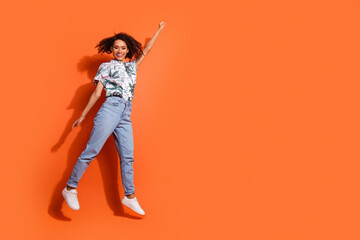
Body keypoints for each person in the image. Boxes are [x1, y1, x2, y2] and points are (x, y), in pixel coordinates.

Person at [62, 22, 166, 215]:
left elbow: (148, 49)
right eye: (116, 47)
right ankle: (70, 188)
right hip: (110, 108)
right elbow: (96, 94)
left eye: (123, 48)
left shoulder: (132, 67)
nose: (119, 50)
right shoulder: (106, 66)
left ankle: (130, 196)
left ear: (128, 50)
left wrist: (159, 29)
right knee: (91, 150)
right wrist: (82, 115)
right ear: (111, 49)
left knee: (128, 157)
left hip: (126, 113)